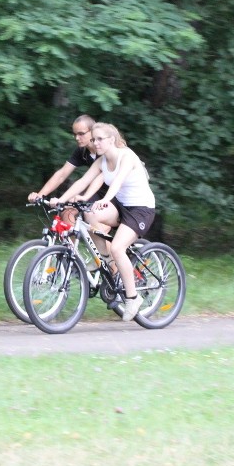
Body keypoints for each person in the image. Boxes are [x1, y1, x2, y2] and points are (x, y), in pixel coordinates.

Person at [50, 122, 156, 322]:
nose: (95, 143)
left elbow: (118, 181)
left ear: (111, 140)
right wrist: (62, 200)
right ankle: (106, 261)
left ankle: (133, 298)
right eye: (94, 139)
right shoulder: (101, 162)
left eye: (99, 139)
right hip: (122, 205)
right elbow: (82, 182)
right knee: (90, 214)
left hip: (141, 209)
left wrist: (105, 200)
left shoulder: (127, 156)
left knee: (118, 247)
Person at [27, 115, 104, 225]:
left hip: (116, 195)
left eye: (81, 134)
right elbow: (62, 174)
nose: (77, 138)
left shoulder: (104, 150)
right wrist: (39, 195)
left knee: (95, 224)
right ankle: (70, 242)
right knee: (67, 213)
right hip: (96, 192)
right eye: (75, 134)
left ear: (93, 132)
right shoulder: (82, 151)